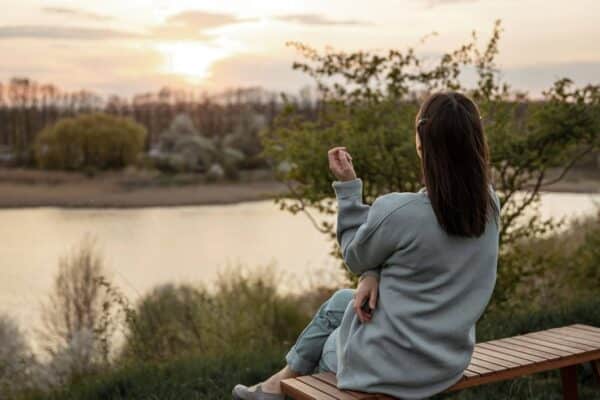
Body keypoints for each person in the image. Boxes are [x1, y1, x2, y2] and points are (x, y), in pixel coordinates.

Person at [233, 91, 500, 400]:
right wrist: (371, 274)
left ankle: (284, 389)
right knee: (340, 302)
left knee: (327, 347)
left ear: (421, 143)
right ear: (477, 141)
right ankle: (274, 387)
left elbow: (355, 254)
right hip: (445, 363)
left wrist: (348, 189)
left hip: (384, 369)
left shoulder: (399, 212)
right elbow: (414, 249)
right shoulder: (488, 205)